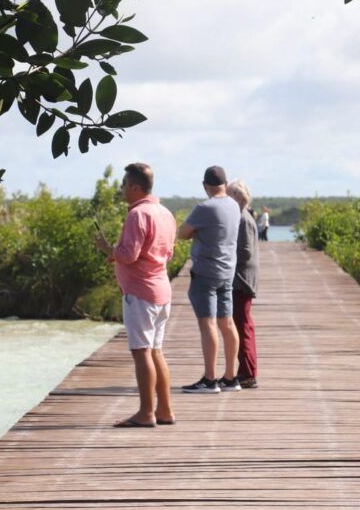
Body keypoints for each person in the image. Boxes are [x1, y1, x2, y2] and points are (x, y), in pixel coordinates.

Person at [94, 163, 178, 427]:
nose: (121, 190)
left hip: (141, 292)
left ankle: (146, 413)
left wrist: (109, 249)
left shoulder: (137, 215)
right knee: (156, 351)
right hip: (161, 289)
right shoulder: (165, 213)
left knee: (142, 352)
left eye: (124, 185)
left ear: (135, 187)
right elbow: (167, 253)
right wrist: (118, 254)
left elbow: (129, 255)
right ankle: (165, 410)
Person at [178, 166, 241, 394]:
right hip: (227, 271)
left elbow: (182, 233)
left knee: (208, 325)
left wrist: (197, 233)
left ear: (205, 185)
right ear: (225, 184)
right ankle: (231, 377)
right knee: (228, 323)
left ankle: (210, 379)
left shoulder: (204, 207)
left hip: (205, 271)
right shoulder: (234, 205)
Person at [227, 180, 259, 389]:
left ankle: (247, 373)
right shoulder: (242, 216)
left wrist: (225, 257)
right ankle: (245, 370)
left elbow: (245, 252)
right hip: (241, 279)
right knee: (242, 325)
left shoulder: (242, 219)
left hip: (241, 281)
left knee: (242, 326)